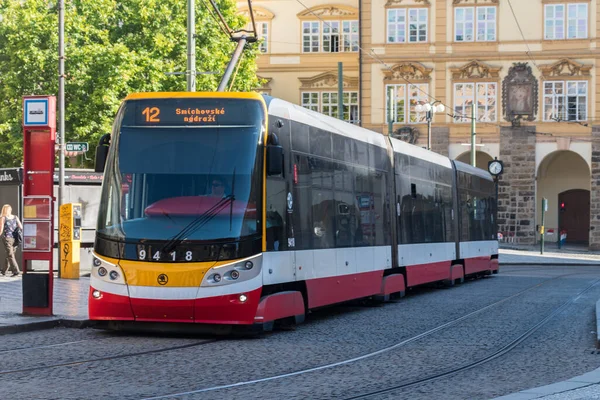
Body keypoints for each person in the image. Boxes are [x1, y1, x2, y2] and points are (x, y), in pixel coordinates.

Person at [0, 204, 22, 277]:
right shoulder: (15, 217)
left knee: (10, 255)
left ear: (4, 210)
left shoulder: (3, 218)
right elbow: (21, 227)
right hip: (15, 238)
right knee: (10, 255)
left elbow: (1, 229)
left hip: (8, 238)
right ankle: (4, 270)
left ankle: (16, 271)